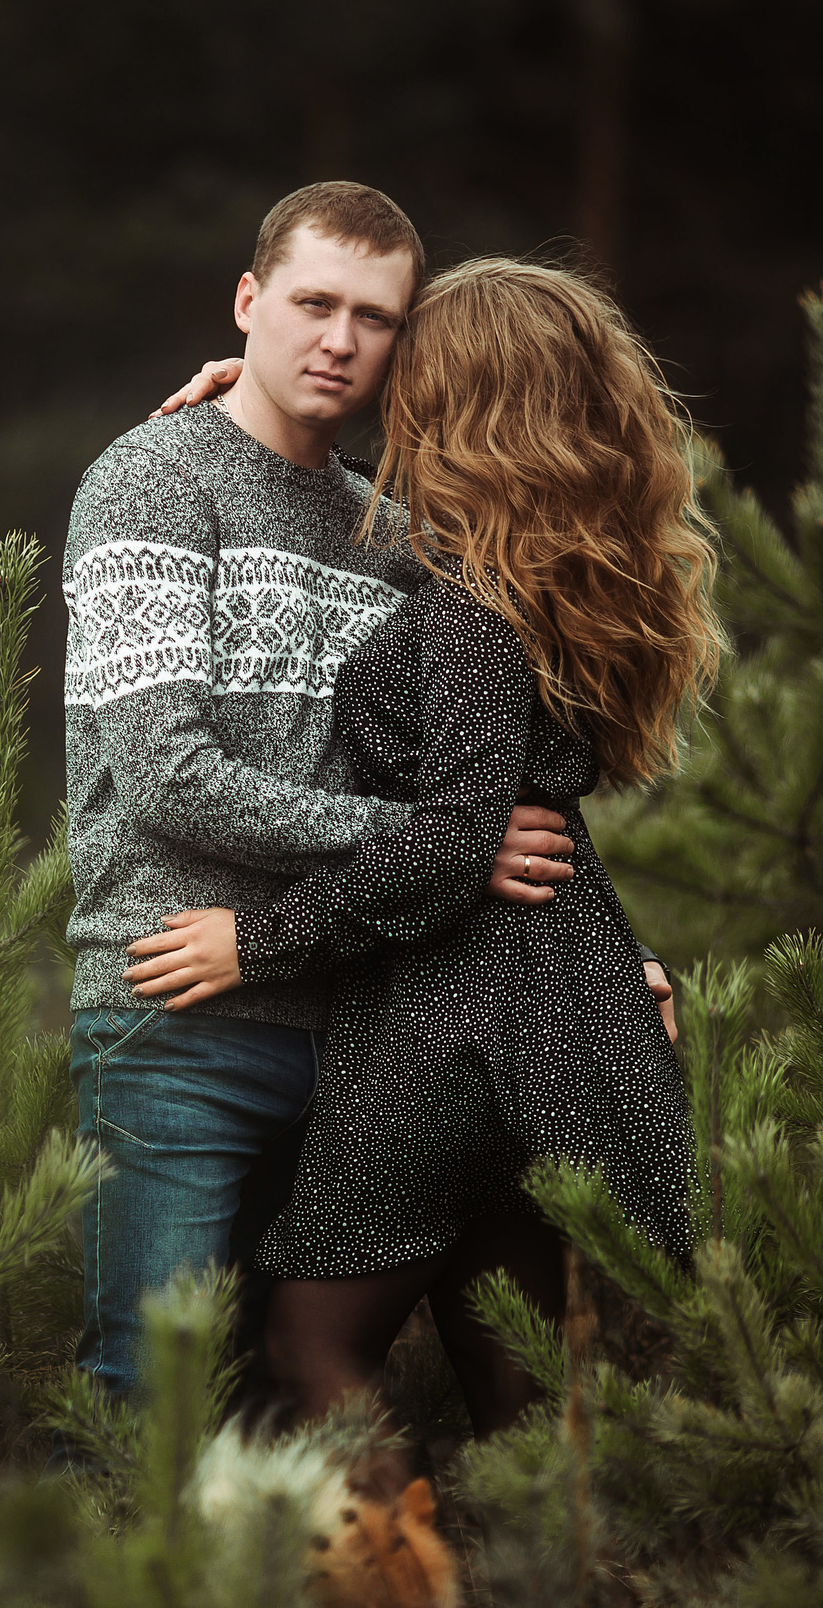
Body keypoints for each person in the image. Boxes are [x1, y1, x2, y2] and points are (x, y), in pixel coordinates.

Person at [120, 257, 724, 1453]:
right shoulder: (528, 583)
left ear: (454, 401)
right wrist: (263, 397)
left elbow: (455, 843)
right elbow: (523, 819)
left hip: (449, 1023)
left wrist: (257, 942)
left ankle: (400, 1556)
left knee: (307, 1346)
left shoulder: (467, 619)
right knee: (521, 1381)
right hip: (545, 1020)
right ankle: (543, 1554)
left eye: (404, 360)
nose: (371, 370)